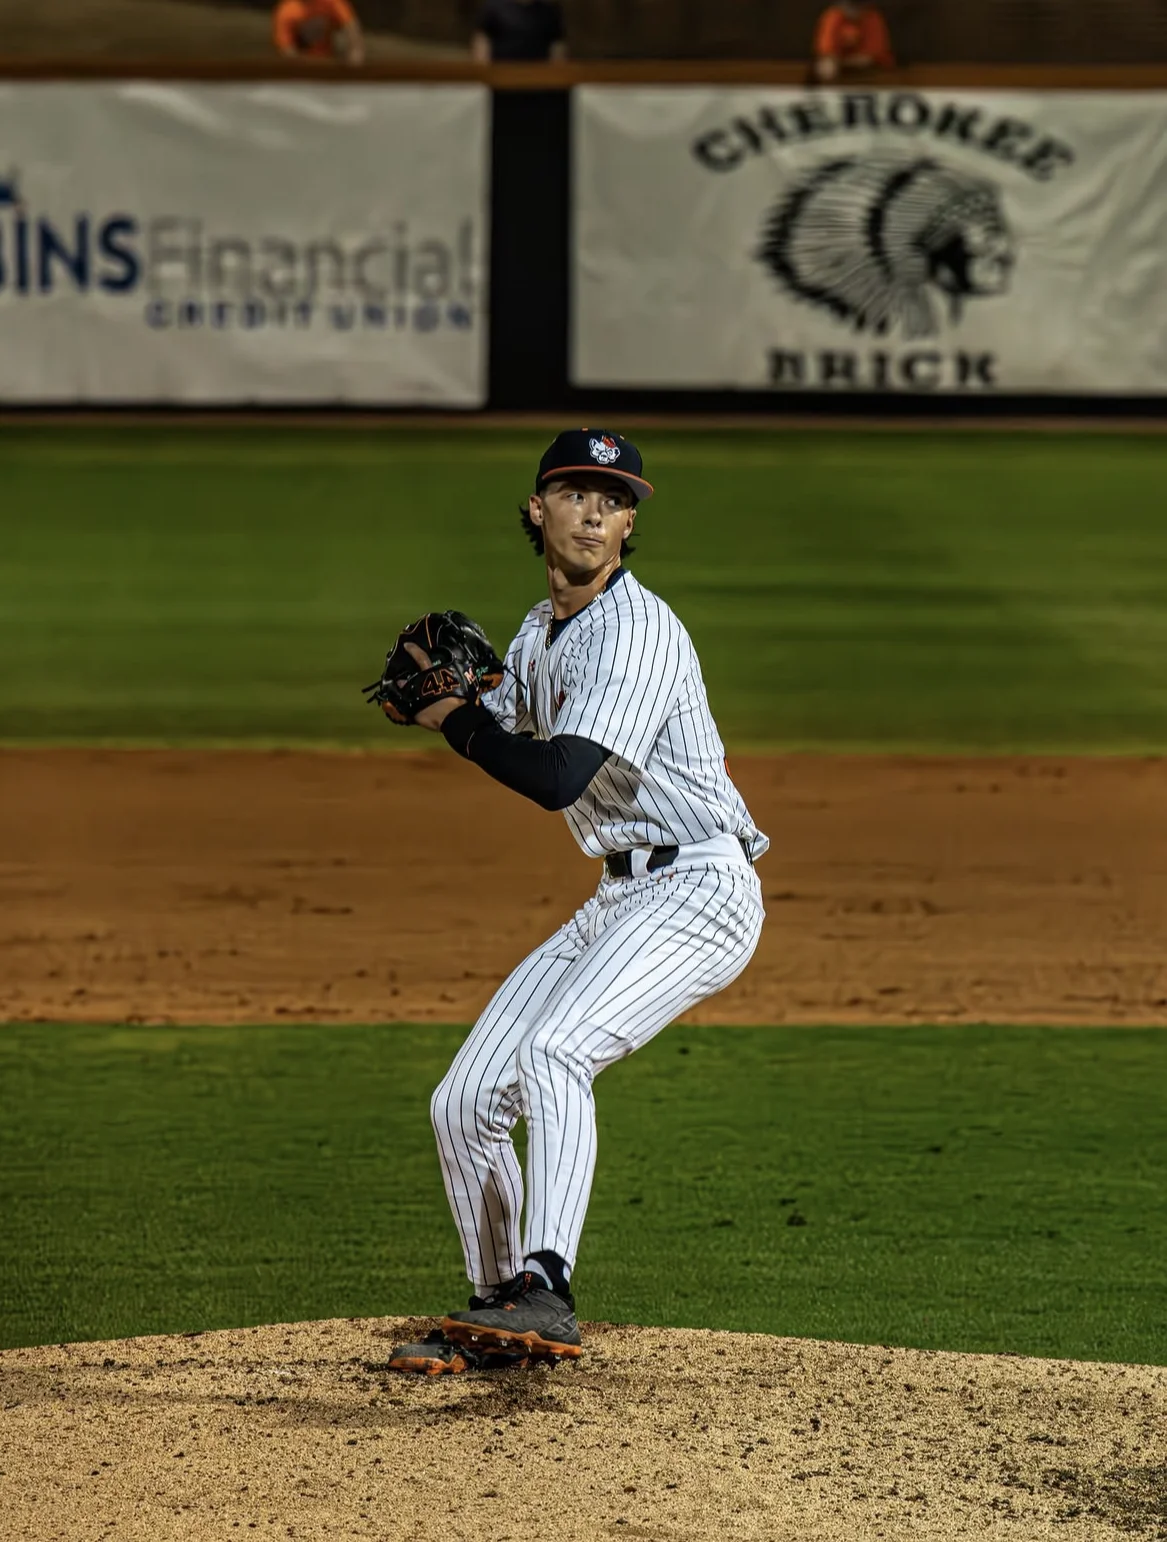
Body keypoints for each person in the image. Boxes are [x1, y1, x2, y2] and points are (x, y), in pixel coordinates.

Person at [383, 429, 768, 1373]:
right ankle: (497, 1302)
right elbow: (504, 723)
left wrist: (455, 720)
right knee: (463, 1100)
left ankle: (547, 1286)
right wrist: (439, 705)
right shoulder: (535, 632)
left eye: (613, 498)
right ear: (536, 510)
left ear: (628, 522)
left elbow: (555, 776)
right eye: (573, 492)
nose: (594, 511)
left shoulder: (638, 628)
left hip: (700, 889)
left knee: (556, 1051)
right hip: (620, 896)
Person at [813, 0, 894, 81]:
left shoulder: (872, 17)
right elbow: (827, 52)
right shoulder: (833, 16)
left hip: (873, 73)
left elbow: (869, 58)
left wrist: (841, 63)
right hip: (840, 73)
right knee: (826, 67)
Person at [471, 0, 567, 63]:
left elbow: (557, 48)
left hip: (540, 80)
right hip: (501, 79)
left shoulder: (549, 10)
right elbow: (482, 42)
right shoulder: (493, 8)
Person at [273, 0, 365, 64]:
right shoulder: (285, 11)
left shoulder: (331, 2)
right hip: (301, 71)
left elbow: (351, 26)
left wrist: (355, 51)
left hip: (331, 64)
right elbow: (287, 52)